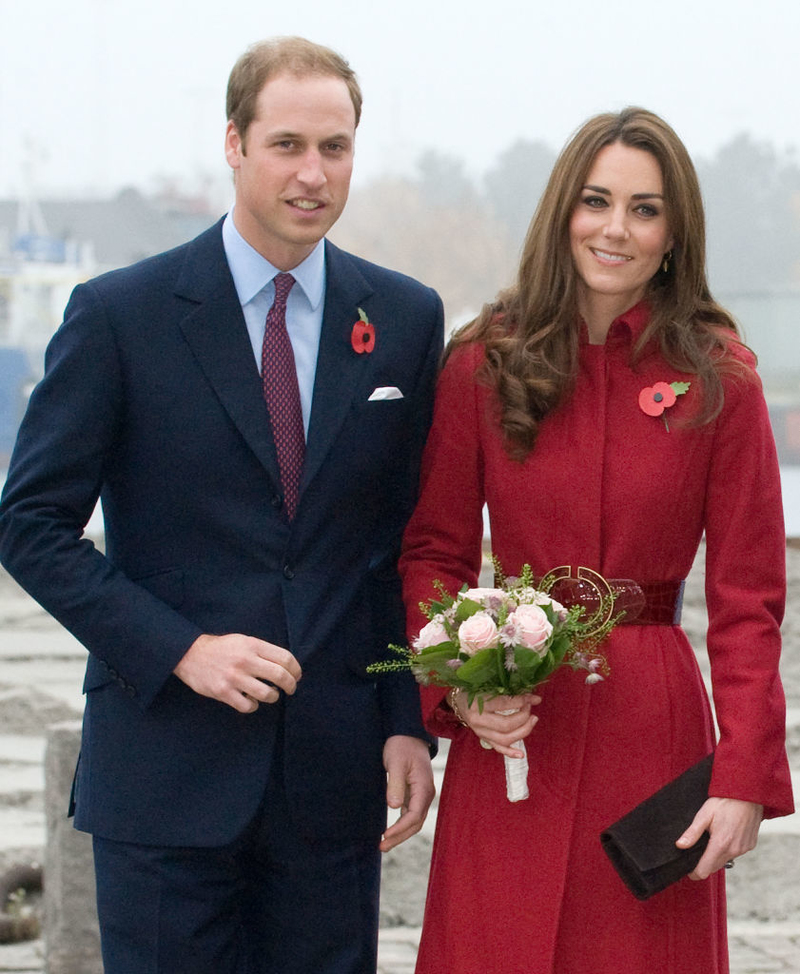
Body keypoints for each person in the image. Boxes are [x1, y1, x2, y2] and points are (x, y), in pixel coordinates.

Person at [0, 36, 442, 974]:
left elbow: (394, 543)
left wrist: (407, 716)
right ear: (233, 144)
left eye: (336, 148)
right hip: (164, 775)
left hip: (333, 780)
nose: (313, 173)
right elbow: (29, 523)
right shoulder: (120, 314)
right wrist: (182, 649)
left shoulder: (403, 319)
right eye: (287, 144)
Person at [398, 107, 794, 974]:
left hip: (652, 729)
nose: (616, 228)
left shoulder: (719, 376)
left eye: (645, 209)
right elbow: (434, 551)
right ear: (562, 212)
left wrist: (743, 778)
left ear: (673, 233)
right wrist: (458, 697)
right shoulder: (482, 361)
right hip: (512, 722)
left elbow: (749, 598)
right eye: (597, 200)